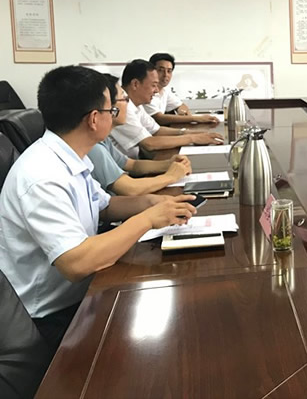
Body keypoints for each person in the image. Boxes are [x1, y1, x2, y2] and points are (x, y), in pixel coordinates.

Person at [0, 66, 197, 352]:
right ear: (94, 119)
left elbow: (104, 206)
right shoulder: (41, 176)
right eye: (111, 110)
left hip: (80, 293)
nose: (114, 116)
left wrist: (153, 203)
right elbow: (77, 263)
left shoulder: (70, 157)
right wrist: (146, 219)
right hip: (47, 318)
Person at [89, 75, 193, 194]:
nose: (128, 104)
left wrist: (169, 164)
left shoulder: (103, 139)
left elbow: (132, 165)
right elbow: (129, 188)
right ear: (110, 108)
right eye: (124, 99)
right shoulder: (94, 147)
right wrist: (171, 176)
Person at [110, 59, 224, 159]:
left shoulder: (135, 104)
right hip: (125, 170)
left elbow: (156, 131)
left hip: (134, 163)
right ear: (135, 84)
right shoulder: (122, 106)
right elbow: (149, 143)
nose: (156, 90)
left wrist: (189, 133)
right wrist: (192, 138)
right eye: (153, 85)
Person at [145, 53, 219, 125]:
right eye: (161, 70)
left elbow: (182, 105)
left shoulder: (165, 90)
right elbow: (159, 119)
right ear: (151, 71)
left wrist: (181, 111)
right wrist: (196, 118)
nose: (165, 75)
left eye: (169, 71)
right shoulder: (146, 91)